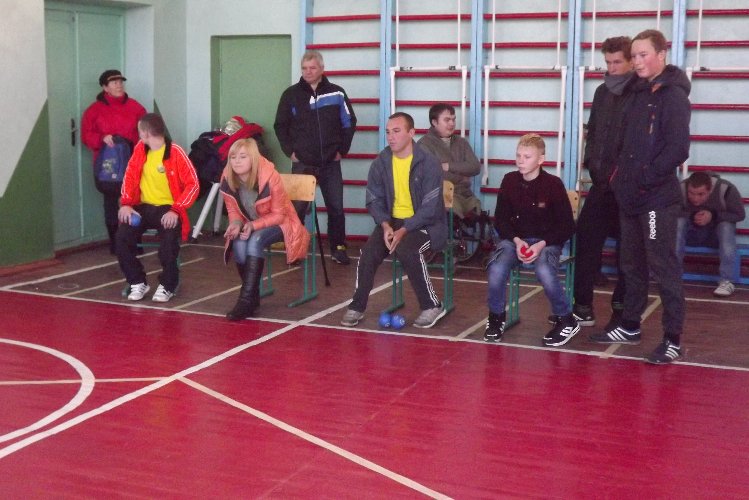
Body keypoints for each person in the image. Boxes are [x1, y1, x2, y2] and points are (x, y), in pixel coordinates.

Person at [589, 30, 691, 364]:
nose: (637, 61)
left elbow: (677, 149)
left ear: (662, 54)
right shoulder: (636, 91)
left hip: (657, 198)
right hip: (629, 195)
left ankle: (672, 338)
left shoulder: (673, 96)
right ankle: (630, 325)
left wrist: (645, 179)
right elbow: (622, 141)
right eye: (634, 56)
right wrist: (618, 179)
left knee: (663, 266)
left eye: (643, 54)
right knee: (630, 263)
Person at [340, 112, 448, 329]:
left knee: (408, 250)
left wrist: (405, 229)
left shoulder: (429, 163)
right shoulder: (381, 162)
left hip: (427, 225)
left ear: (411, 133)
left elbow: (430, 209)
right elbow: (374, 199)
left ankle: (432, 306)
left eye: (396, 131)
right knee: (368, 253)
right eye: (388, 132)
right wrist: (385, 225)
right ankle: (357, 306)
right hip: (392, 223)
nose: (391, 137)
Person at [484, 133, 579, 346]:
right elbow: (501, 220)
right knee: (496, 268)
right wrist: (517, 241)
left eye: (527, 157)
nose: (520, 161)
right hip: (515, 240)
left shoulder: (553, 184)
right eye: (518, 155)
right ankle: (496, 318)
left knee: (544, 269)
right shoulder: (509, 180)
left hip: (546, 242)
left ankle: (566, 319)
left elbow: (567, 226)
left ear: (541, 159)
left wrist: (542, 244)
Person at [572, 36, 637, 329]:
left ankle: (621, 309)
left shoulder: (641, 92)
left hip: (627, 189)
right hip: (600, 186)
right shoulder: (601, 92)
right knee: (586, 240)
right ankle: (582, 305)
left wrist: (621, 175)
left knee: (628, 252)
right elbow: (594, 131)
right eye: (608, 62)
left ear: (631, 61)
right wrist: (591, 163)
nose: (611, 68)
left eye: (617, 62)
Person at [274, 50, 357, 265]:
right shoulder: (290, 95)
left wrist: (342, 150)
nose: (308, 72)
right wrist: (290, 151)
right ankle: (295, 249)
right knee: (297, 209)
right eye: (304, 68)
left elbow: (349, 122)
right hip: (302, 162)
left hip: (330, 162)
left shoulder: (337, 93)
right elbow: (280, 126)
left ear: (322, 69)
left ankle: (338, 248)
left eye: (312, 68)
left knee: (336, 207)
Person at [220, 138, 310, 321]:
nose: (236, 161)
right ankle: (251, 297)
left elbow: (279, 215)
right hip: (251, 224)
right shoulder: (227, 177)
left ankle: (246, 300)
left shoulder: (270, 176)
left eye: (242, 157)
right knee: (238, 242)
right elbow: (233, 210)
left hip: (283, 223)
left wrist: (252, 226)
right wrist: (235, 224)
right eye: (233, 157)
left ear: (253, 158)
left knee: (255, 240)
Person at [116, 113, 199, 302]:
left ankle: (168, 285)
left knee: (168, 244)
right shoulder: (140, 149)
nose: (139, 135)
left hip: (168, 209)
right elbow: (129, 177)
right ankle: (137, 282)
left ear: (146, 133)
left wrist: (176, 210)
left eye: (139, 131)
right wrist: (126, 204)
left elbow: (193, 184)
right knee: (121, 238)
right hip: (142, 208)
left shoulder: (176, 152)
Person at [82, 70, 147, 254]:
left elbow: (146, 132)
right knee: (111, 202)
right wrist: (102, 138)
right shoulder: (94, 110)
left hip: (132, 162)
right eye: (114, 82)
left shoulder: (136, 107)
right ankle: (116, 244)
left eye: (120, 81)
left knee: (134, 201)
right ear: (105, 87)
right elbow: (86, 135)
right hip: (107, 165)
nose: (119, 85)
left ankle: (134, 243)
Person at [677, 171, 745, 297]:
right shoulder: (681, 188)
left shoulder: (726, 189)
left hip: (717, 238)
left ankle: (727, 280)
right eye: (691, 193)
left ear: (710, 190)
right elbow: (669, 212)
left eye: (700, 194)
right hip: (690, 235)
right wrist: (691, 216)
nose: (695, 198)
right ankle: (673, 275)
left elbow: (740, 215)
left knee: (726, 226)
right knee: (678, 222)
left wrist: (713, 216)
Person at [416, 103, 481, 219]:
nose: (452, 123)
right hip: (441, 197)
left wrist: (447, 166)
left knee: (478, 213)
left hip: (465, 195)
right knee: (453, 215)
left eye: (453, 119)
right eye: (447, 120)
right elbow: (432, 175)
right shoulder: (423, 145)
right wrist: (463, 175)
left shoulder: (461, 142)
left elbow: (475, 167)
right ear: (434, 122)